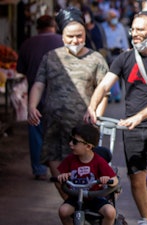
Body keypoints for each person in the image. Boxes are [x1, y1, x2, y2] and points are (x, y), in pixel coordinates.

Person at [84, 11, 147, 225]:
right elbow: (104, 85)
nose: (134, 34)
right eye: (133, 29)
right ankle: (145, 219)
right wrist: (91, 106)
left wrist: (140, 116)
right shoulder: (124, 58)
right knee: (136, 179)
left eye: (140, 30)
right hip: (132, 129)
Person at [27, 7, 109, 198]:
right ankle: (70, 205)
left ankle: (80, 206)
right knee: (55, 168)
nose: (75, 41)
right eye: (70, 36)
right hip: (53, 127)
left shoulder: (96, 59)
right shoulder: (51, 57)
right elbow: (38, 85)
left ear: (85, 35)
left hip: (83, 130)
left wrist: (97, 117)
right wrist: (31, 106)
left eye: (79, 36)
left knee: (85, 174)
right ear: (61, 36)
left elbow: (103, 92)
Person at [16, 15, 64, 180]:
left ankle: (39, 170)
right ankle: (59, 171)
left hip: (35, 98)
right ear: (54, 26)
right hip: (59, 95)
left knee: (36, 131)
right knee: (57, 133)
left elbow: (21, 69)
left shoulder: (27, 44)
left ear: (37, 27)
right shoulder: (63, 41)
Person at [57, 123, 119, 225]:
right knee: (63, 211)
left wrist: (107, 180)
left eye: (75, 142)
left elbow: (115, 180)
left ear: (88, 146)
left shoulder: (99, 161)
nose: (70, 144)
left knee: (110, 212)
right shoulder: (69, 160)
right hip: (75, 197)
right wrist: (63, 176)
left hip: (95, 197)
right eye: (70, 139)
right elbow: (61, 175)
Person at [101, 8, 130, 103]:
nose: (114, 19)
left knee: (116, 74)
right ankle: (108, 94)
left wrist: (127, 53)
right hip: (107, 53)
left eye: (115, 17)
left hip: (118, 53)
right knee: (107, 74)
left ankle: (117, 94)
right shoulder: (103, 27)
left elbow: (124, 42)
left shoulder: (120, 27)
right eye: (112, 17)